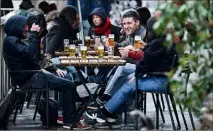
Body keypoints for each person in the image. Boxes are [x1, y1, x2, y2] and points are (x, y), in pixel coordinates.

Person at [3, 15, 90, 130]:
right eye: (25, 26)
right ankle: (70, 121)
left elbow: (32, 58)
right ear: (16, 27)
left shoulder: (13, 40)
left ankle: (67, 116)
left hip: (33, 75)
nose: (27, 29)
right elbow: (30, 53)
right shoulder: (12, 41)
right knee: (69, 85)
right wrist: (34, 34)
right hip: (32, 78)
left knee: (68, 78)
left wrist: (49, 69)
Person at [101, 17, 178, 121]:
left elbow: (145, 64)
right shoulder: (166, 40)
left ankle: (107, 110)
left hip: (162, 81)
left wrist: (137, 75)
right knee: (124, 68)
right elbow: (153, 58)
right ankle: (108, 96)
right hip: (167, 78)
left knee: (131, 83)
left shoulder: (158, 43)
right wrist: (146, 47)